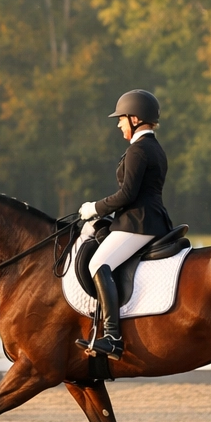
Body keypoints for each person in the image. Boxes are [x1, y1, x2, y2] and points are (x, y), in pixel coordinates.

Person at [76, 89, 170, 358]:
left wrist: (94, 208)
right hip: (148, 219)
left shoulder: (139, 150)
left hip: (138, 223)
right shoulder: (154, 148)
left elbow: (127, 195)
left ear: (135, 118)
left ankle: (113, 337)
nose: (119, 125)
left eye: (121, 119)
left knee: (98, 263)